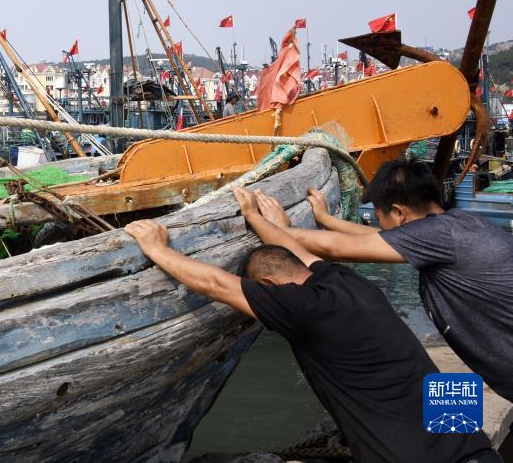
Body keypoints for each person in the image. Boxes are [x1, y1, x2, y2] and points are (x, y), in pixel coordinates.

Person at [126, 196, 496, 463]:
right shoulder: (347, 282)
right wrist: (258, 219)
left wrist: (157, 249)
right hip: (473, 445)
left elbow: (216, 284)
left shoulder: (303, 307)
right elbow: (299, 253)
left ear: (269, 286)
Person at [255, 158, 513, 403]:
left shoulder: (439, 234)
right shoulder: (460, 224)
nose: (382, 227)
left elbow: (338, 248)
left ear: (399, 213)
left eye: (382, 218)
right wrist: (327, 220)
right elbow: (378, 238)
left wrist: (278, 229)